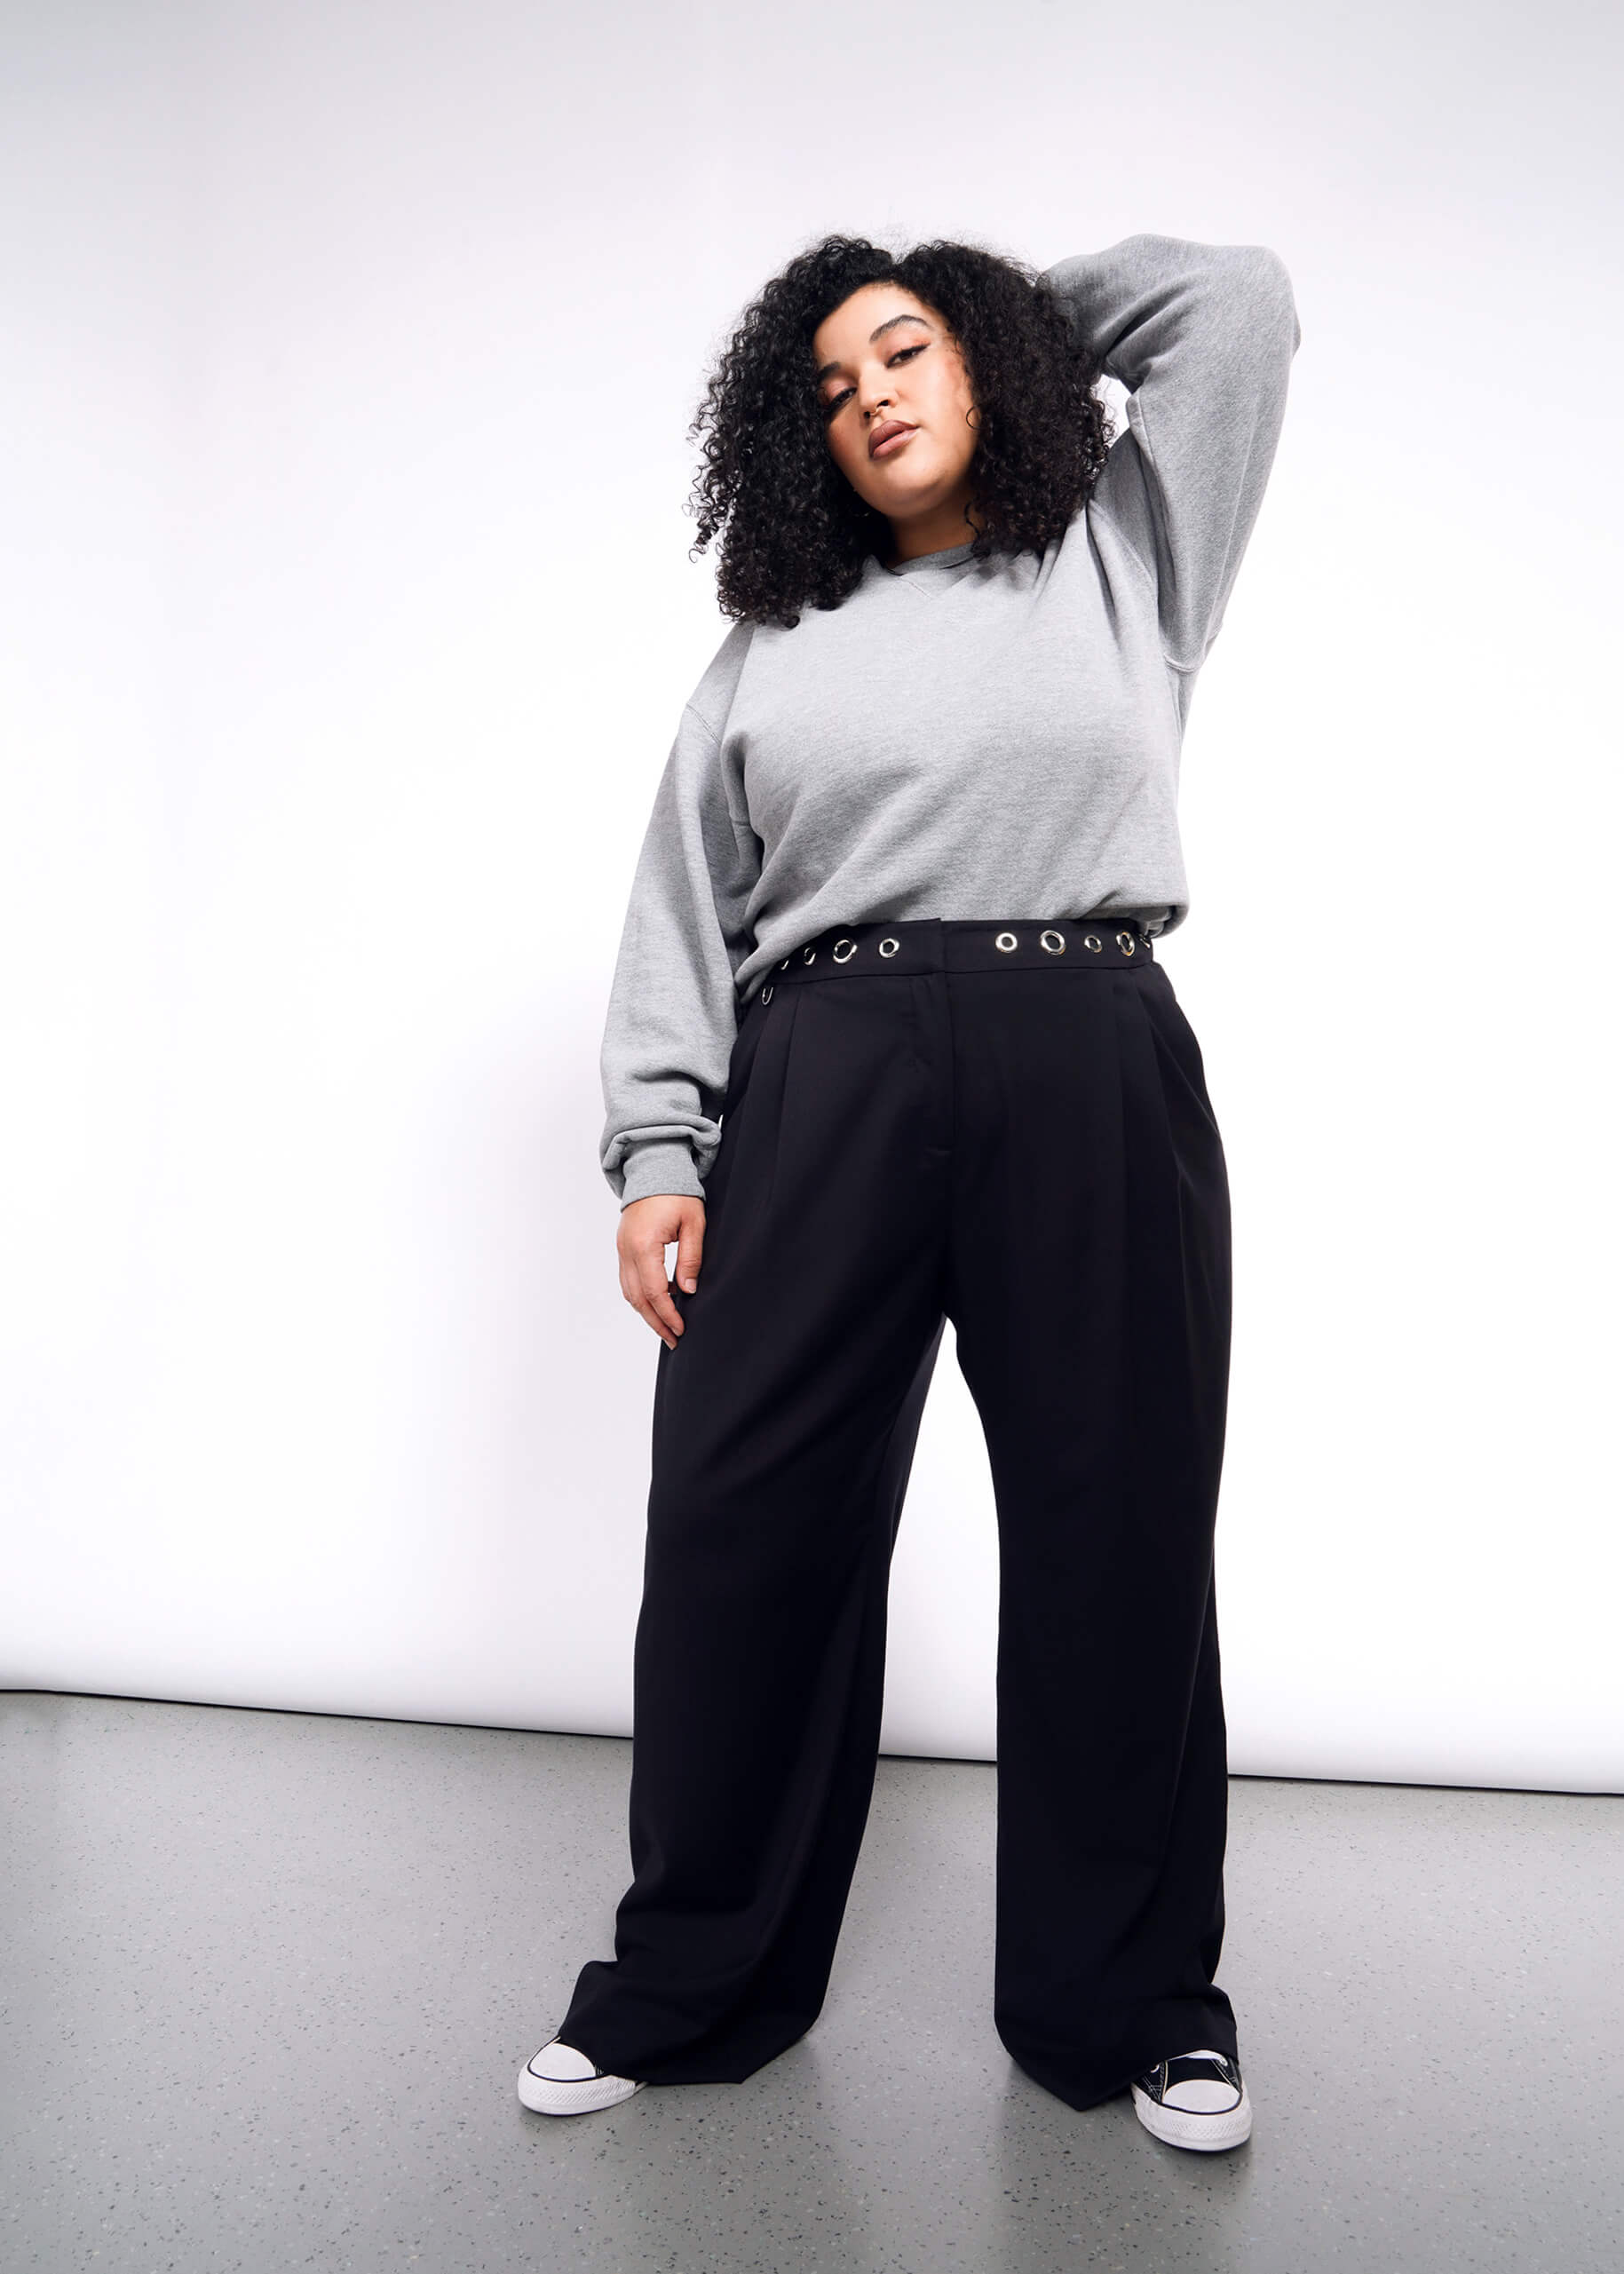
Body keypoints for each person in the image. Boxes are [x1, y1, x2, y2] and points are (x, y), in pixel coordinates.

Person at [517, 228, 1301, 2153]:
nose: (870, 392)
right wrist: (658, 1149)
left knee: (1118, 1541)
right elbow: (681, 912)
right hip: (825, 1075)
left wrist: (978, 296)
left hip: (1087, 1052)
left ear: (996, 370)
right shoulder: (773, 648)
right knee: (739, 1538)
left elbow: (1240, 305)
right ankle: (689, 1983)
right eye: (832, 385)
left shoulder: (1126, 551)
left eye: (906, 354)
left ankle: (1131, 2012)